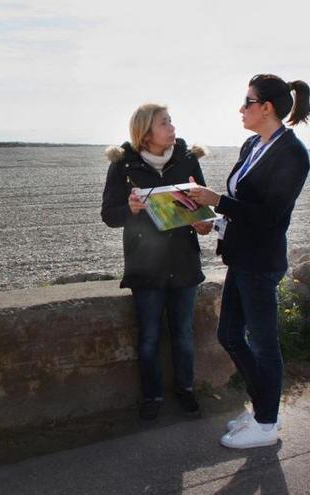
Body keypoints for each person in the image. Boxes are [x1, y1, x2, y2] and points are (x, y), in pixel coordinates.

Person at [187, 74, 310, 448]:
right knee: (229, 335)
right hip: (241, 258)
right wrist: (213, 223)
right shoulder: (252, 144)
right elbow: (242, 208)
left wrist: (216, 200)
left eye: (247, 102)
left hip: (261, 262)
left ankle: (267, 423)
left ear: (266, 107)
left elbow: (270, 215)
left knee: (263, 344)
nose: (241, 109)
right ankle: (261, 409)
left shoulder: (292, 153)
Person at [101, 103, 211, 421]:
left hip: (184, 262)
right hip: (144, 265)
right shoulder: (122, 165)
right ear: (146, 132)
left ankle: (186, 391)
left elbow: (199, 207)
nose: (173, 128)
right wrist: (131, 209)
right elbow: (109, 215)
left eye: (171, 121)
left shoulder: (187, 158)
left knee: (183, 334)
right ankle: (151, 396)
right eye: (165, 123)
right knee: (148, 337)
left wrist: (202, 221)